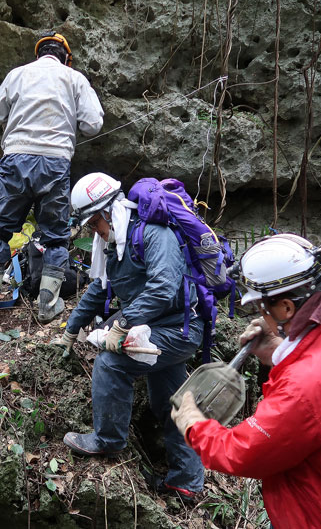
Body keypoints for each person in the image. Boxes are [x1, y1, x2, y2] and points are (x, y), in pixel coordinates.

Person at [171, 233, 321, 528]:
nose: (261, 314)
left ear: (286, 308)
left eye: (262, 307)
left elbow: (246, 452)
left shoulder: (303, 388)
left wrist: (196, 427)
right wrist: (277, 350)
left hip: (319, 514)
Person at [55, 172, 205, 502]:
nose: (94, 231)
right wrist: (69, 330)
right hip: (155, 330)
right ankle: (187, 482)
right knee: (170, 404)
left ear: (108, 212)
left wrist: (122, 323)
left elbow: (164, 288)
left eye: (94, 223)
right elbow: (99, 288)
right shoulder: (113, 244)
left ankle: (107, 439)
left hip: (179, 330)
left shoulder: (153, 233)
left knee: (111, 362)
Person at [0, 32, 104, 322]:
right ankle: (48, 306)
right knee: (56, 237)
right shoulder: (75, 79)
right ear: (65, 58)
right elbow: (93, 124)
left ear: (38, 54)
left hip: (16, 159)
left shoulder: (17, 74)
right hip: (55, 162)